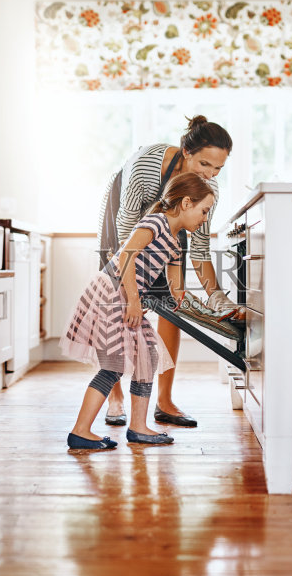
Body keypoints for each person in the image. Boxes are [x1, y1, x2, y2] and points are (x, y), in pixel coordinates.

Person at [98, 115, 243, 430]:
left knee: (170, 304)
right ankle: (115, 396)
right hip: (124, 217)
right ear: (186, 152)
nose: (210, 175)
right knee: (117, 302)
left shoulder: (206, 190)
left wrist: (217, 299)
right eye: (204, 164)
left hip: (172, 216)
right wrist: (133, 294)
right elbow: (126, 242)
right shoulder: (145, 167)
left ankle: (164, 400)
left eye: (218, 169)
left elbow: (200, 249)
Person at [61, 172, 216, 450]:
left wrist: (206, 311)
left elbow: (177, 291)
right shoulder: (155, 222)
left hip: (128, 298)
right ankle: (80, 431)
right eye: (204, 211)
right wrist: (133, 301)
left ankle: (138, 427)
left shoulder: (176, 242)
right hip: (113, 294)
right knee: (113, 365)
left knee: (147, 357)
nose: (205, 219)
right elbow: (126, 256)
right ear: (186, 203)